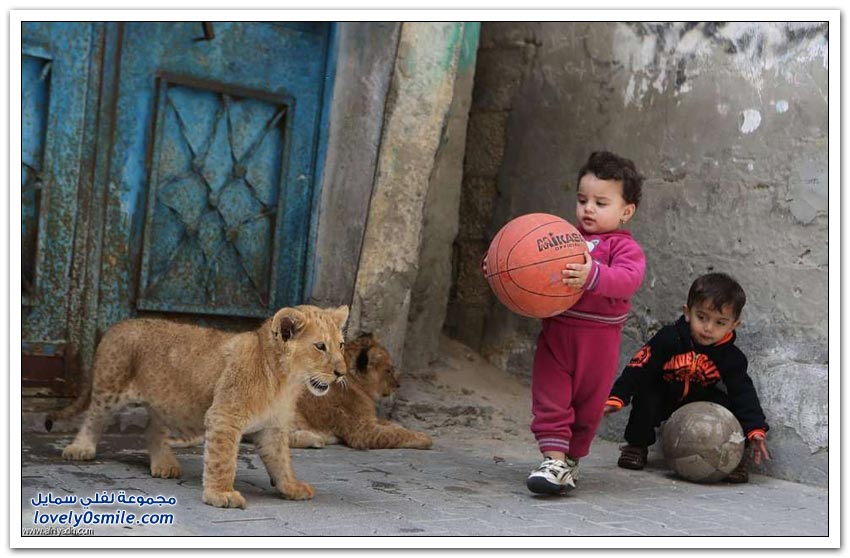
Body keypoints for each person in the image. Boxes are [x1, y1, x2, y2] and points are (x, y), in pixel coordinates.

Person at [483, 151, 646, 494]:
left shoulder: (624, 248)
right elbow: (527, 263)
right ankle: (553, 460)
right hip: (557, 334)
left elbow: (628, 280)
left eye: (601, 203)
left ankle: (571, 459)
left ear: (626, 211)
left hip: (599, 342)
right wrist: (500, 268)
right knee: (550, 399)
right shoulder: (560, 238)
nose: (588, 209)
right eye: (582, 200)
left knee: (588, 409)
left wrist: (593, 274)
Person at [603, 272, 770, 483]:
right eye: (702, 317)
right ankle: (636, 446)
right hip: (666, 392)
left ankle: (733, 459)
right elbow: (640, 367)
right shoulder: (669, 338)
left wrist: (755, 428)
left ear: (734, 325)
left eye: (720, 323)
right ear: (687, 312)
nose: (708, 328)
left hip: (702, 399)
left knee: (729, 407)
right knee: (647, 397)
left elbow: (743, 392)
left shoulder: (731, 357)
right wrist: (618, 396)